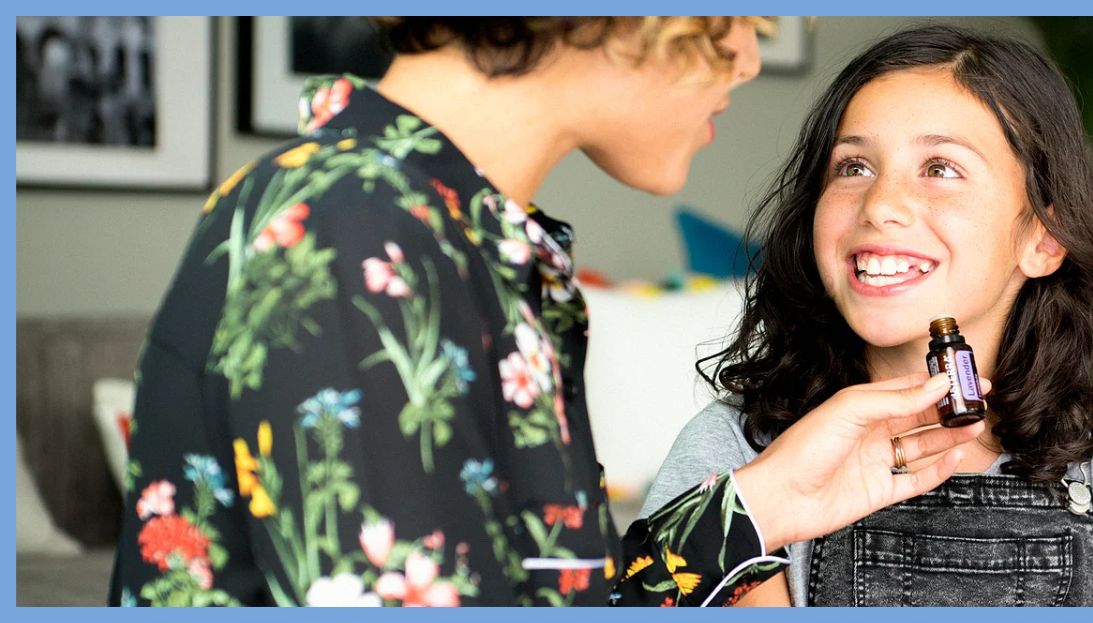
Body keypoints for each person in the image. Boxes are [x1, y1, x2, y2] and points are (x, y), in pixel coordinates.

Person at [108, 17, 987, 607]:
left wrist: (764, 501)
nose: (750, 57)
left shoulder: (456, 236)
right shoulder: (353, 232)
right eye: (738, 16)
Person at [641, 25, 1093, 607]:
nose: (882, 204)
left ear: (1043, 241)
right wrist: (755, 515)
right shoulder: (738, 458)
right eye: (853, 167)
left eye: (940, 167)